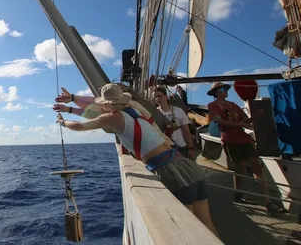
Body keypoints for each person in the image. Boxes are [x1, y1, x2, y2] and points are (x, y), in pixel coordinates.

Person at [54, 83, 219, 237]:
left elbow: (81, 125)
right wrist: (73, 101)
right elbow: (94, 107)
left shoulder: (113, 117)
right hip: (185, 164)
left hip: (172, 172)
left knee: (190, 229)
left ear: (106, 104)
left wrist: (63, 122)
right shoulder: (136, 109)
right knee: (207, 223)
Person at [204, 82, 280, 215]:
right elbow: (220, 122)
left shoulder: (232, 105)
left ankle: (268, 202)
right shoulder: (212, 106)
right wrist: (241, 125)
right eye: (222, 89)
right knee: (239, 168)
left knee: (256, 166)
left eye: (226, 89)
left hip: (243, 138)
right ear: (216, 93)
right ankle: (238, 195)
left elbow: (245, 120)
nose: (225, 91)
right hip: (230, 139)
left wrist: (257, 116)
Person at [154, 87, 195, 159]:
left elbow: (186, 131)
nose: (157, 99)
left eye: (159, 96)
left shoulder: (178, 111)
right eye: (155, 97)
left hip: (181, 147)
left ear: (166, 96)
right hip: (164, 149)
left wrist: (190, 148)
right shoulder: (154, 113)